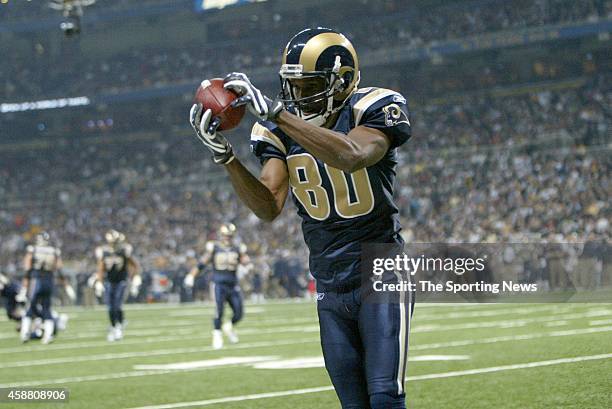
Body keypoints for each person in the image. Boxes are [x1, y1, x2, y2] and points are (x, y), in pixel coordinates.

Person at [189, 27, 414, 408]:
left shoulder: (374, 107)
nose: (297, 96)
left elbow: (352, 154)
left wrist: (279, 114)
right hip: (327, 278)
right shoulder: (276, 130)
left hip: (381, 272)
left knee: (385, 396)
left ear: (342, 82)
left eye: (309, 86)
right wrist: (226, 158)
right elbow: (267, 207)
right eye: (292, 87)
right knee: (353, 403)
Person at [184, 223, 249, 349]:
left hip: (233, 284)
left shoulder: (237, 248)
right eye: (225, 235)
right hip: (218, 283)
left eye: (229, 236)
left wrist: (247, 265)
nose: (227, 238)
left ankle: (229, 326)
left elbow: (245, 261)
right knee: (219, 311)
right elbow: (202, 263)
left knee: (239, 312)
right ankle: (217, 334)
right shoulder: (214, 247)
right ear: (221, 235)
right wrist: (191, 275)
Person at [20, 232, 74, 344]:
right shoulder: (54, 251)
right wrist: (66, 285)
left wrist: (24, 287)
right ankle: (48, 336)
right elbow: (59, 269)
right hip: (49, 281)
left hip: (36, 280)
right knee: (47, 309)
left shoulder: (33, 249)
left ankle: (25, 333)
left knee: (30, 307)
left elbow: (27, 268)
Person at [93, 229, 141, 342]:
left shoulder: (123, 251)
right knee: (110, 307)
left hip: (121, 281)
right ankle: (115, 326)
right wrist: (98, 281)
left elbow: (134, 264)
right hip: (109, 282)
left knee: (117, 305)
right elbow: (100, 268)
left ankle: (118, 326)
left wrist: (136, 277)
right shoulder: (104, 252)